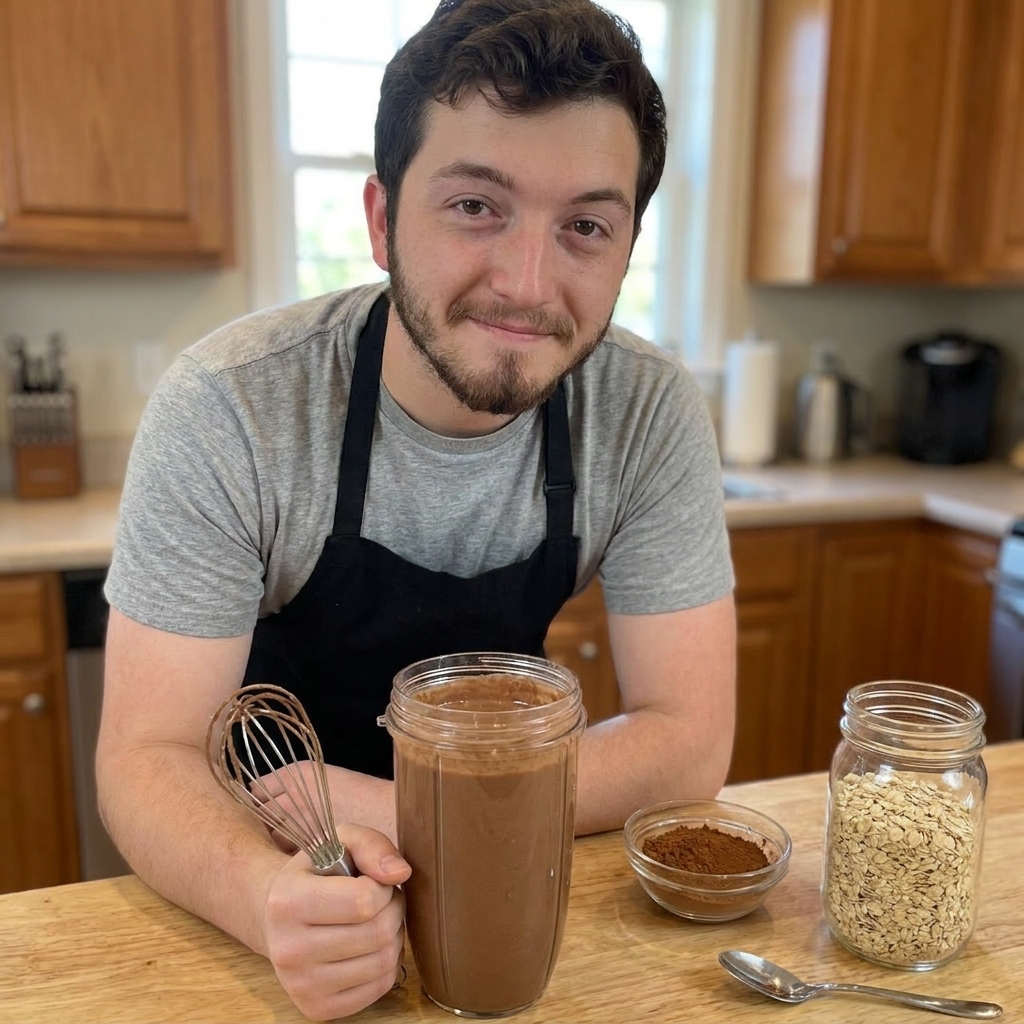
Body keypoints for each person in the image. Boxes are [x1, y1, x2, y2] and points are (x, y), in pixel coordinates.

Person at [96, 0, 736, 1019]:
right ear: (383, 219)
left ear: (626, 244)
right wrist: (266, 895)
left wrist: (412, 811)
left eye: (583, 226)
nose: (527, 285)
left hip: (507, 870)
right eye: (476, 206)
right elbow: (145, 755)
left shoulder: (645, 411)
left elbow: (690, 738)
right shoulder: (232, 406)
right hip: (275, 866)